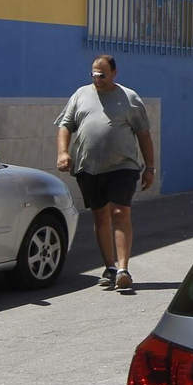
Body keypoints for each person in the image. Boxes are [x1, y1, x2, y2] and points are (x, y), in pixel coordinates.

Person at [55, 55, 156, 292]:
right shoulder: (80, 95)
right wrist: (62, 152)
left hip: (123, 166)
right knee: (100, 217)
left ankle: (123, 269)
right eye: (94, 74)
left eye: (102, 75)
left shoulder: (129, 98)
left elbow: (144, 135)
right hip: (89, 167)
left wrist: (150, 167)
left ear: (114, 73)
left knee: (120, 212)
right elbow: (65, 126)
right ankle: (109, 268)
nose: (97, 79)